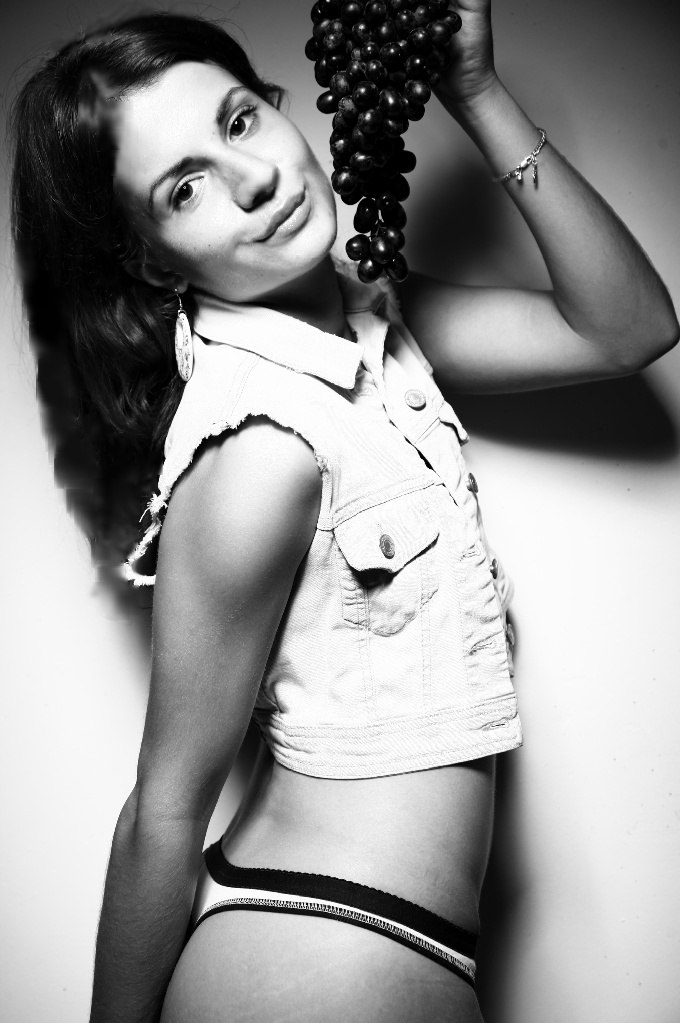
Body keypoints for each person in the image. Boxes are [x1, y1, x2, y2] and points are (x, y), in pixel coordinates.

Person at [9, 4, 678, 1022]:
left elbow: (627, 327)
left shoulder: (376, 333)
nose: (254, 178)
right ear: (152, 259)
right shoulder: (258, 441)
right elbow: (165, 808)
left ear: (280, 108)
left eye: (239, 120)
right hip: (320, 954)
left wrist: (475, 92)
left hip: (383, 951)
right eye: (184, 188)